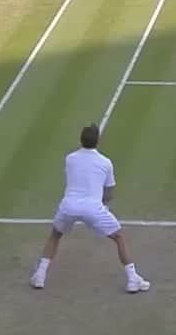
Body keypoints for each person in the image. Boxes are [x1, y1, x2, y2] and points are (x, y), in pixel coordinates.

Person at [30, 125, 150, 294]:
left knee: (55, 235)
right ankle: (132, 279)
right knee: (119, 237)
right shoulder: (106, 163)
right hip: (93, 208)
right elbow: (109, 193)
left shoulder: (70, 158)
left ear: (81, 140)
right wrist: (103, 203)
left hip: (69, 206)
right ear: (98, 141)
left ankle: (40, 275)